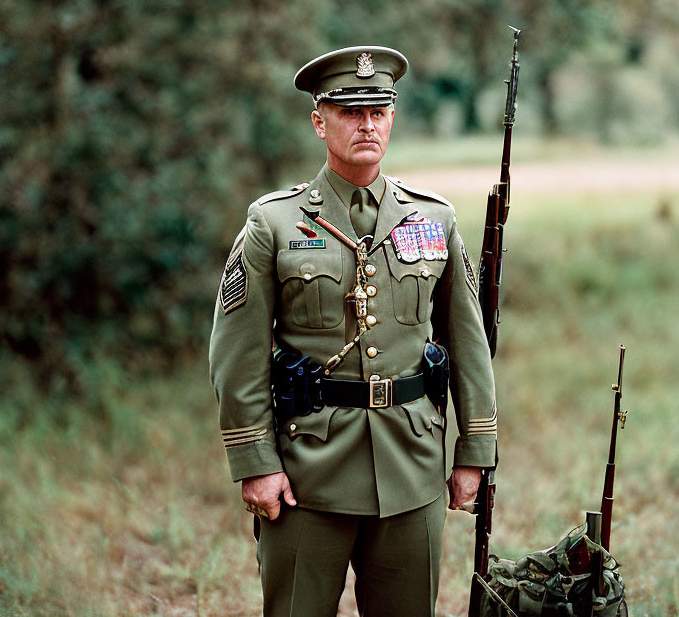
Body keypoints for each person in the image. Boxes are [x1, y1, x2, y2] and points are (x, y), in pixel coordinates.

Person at [209, 46, 497, 617]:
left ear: (392, 118)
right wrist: (255, 463)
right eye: (348, 112)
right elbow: (237, 354)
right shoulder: (274, 222)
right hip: (306, 471)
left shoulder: (432, 219)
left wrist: (475, 449)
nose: (367, 124)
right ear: (319, 121)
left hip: (411, 463)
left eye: (379, 111)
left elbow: (468, 340)